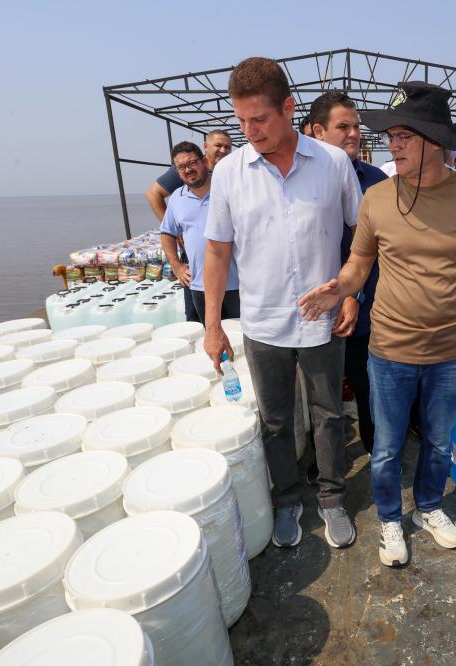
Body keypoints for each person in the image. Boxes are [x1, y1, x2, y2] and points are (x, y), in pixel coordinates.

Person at [299, 81, 456, 568]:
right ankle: (392, 517)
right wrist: (340, 288)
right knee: (387, 447)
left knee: (438, 442)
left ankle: (430, 507)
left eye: (403, 136)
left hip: (452, 352)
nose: (391, 145)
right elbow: (358, 264)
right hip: (390, 349)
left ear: (434, 142)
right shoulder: (376, 199)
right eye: (390, 135)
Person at [202, 57, 362, 550]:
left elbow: (363, 237)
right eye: (242, 121)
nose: (250, 130)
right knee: (274, 420)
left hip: (321, 319)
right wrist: (212, 324)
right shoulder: (229, 173)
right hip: (263, 321)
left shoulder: (332, 164)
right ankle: (289, 499)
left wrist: (349, 292)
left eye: (261, 119)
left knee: (329, 413)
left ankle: (332, 499)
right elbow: (217, 249)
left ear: (288, 109)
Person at [308, 91, 388, 454]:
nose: (354, 133)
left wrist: (353, 295)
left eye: (357, 126)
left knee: (367, 384)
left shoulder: (377, 183)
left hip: (366, 304)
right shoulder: (299, 180)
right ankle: (321, 462)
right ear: (317, 132)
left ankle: (377, 451)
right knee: (317, 393)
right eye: (343, 126)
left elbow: (382, 248)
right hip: (313, 305)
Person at [145, 130, 233, 322]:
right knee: (209, 336)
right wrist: (176, 265)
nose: (188, 169)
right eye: (181, 167)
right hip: (200, 286)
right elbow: (166, 232)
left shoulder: (228, 188)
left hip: (235, 284)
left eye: (192, 163)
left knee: (242, 337)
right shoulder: (177, 198)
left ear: (203, 161)